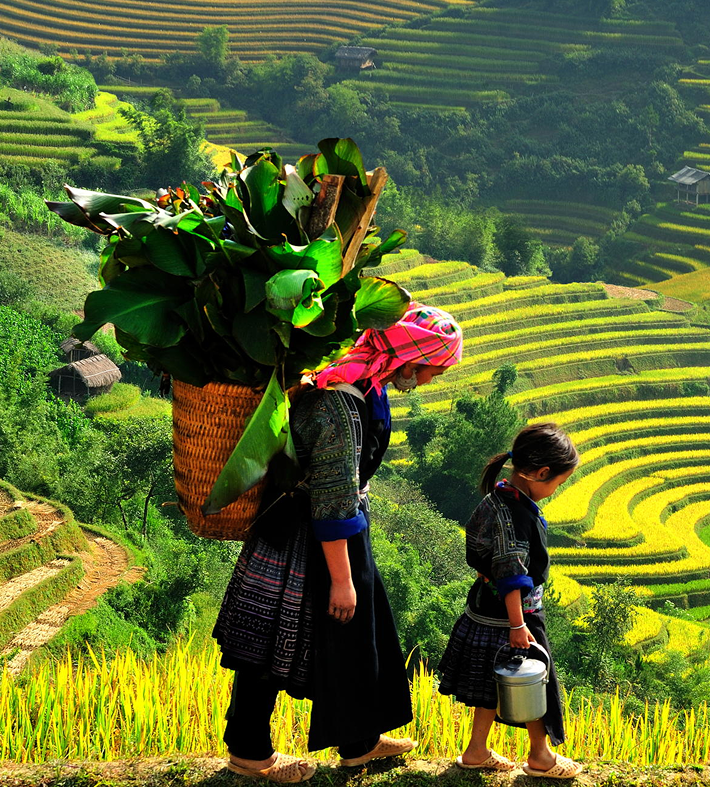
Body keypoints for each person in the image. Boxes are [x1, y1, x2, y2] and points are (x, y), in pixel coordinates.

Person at [213, 304, 464, 783]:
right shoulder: (337, 404)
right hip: (305, 534)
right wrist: (343, 580)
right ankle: (249, 752)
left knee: (357, 637)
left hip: (341, 527)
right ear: (410, 358)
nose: (432, 378)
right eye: (434, 368)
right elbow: (331, 500)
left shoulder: (368, 383)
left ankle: (360, 742)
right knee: (270, 642)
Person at [436, 422, 583, 779]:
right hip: (515, 616)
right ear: (541, 473)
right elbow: (510, 573)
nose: (555, 490)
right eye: (558, 483)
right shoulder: (513, 514)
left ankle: (476, 751)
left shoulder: (498, 498)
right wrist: (518, 625)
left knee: (493, 684)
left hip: (485, 608)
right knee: (535, 679)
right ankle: (541, 757)